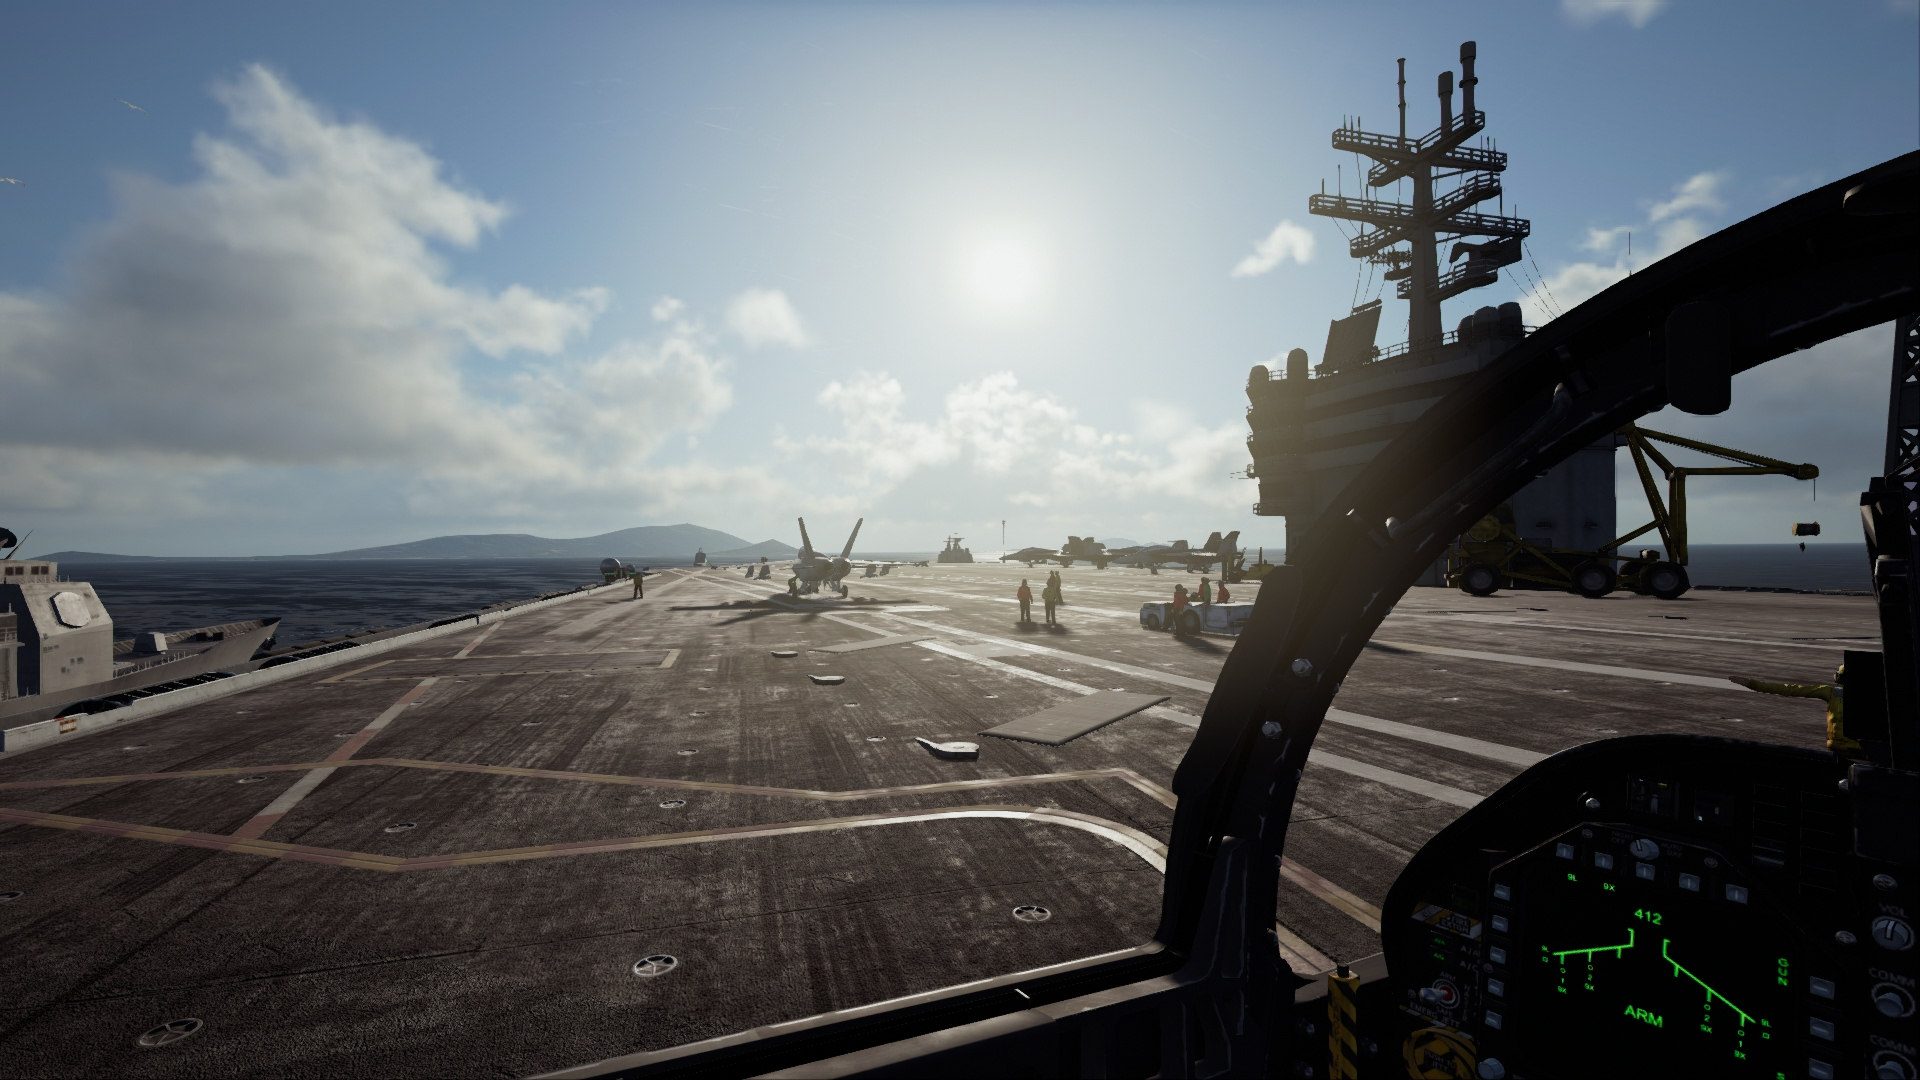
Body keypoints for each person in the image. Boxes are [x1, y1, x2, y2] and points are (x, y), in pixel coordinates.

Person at [1732, 665, 1861, 754]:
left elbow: (1790, 690)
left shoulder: (1831, 693)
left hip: (1837, 747)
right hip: (1857, 749)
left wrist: (1752, 684)